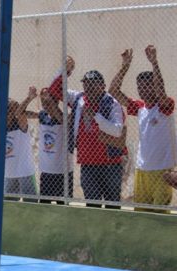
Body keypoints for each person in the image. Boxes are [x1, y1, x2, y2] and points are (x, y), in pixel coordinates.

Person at [50, 59, 126, 208]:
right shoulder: (79, 99)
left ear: (102, 86)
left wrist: (96, 117)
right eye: (86, 84)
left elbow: (117, 130)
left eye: (92, 84)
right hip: (88, 163)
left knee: (112, 205)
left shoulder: (112, 103)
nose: (88, 87)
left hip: (110, 164)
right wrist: (65, 71)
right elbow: (54, 90)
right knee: (92, 205)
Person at [109, 46, 176, 212]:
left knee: (160, 214)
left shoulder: (164, 107)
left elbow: (161, 93)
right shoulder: (140, 108)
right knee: (141, 213)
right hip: (142, 170)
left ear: (153, 87)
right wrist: (125, 67)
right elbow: (113, 91)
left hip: (162, 169)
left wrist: (154, 63)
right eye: (140, 87)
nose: (142, 90)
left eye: (146, 86)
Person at [0, 86, 38, 201]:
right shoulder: (0, 127)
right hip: (9, 174)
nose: (9, 115)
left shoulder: (21, 125)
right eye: (7, 111)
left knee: (31, 204)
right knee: (9, 204)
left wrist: (28, 98)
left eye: (11, 111)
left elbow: (19, 112)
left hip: (25, 173)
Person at [36, 87, 74, 204]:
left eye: (48, 100)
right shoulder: (42, 116)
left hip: (62, 172)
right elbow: (20, 113)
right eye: (43, 101)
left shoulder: (63, 116)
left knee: (63, 205)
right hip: (47, 171)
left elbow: (62, 121)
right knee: (44, 204)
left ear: (56, 101)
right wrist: (30, 98)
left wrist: (51, 101)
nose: (45, 103)